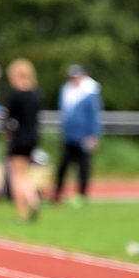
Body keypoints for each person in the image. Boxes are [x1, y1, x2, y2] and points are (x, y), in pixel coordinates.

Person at [53, 64, 101, 205]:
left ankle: (82, 194)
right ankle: (57, 193)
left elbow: (94, 115)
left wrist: (94, 135)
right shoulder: (66, 90)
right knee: (63, 165)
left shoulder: (90, 92)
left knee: (83, 166)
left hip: (84, 136)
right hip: (68, 135)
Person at [4, 59, 42, 223]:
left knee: (16, 176)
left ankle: (23, 211)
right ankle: (34, 200)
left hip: (19, 138)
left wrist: (8, 133)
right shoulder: (37, 94)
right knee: (24, 173)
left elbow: (9, 120)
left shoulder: (16, 96)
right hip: (33, 137)